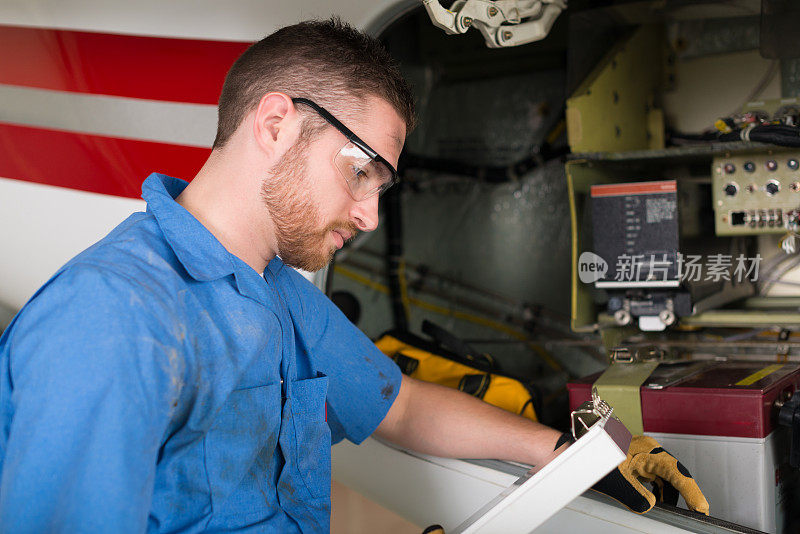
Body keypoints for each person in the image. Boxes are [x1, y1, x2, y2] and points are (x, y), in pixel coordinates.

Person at [0, 18, 706, 533]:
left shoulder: (272, 292)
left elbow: (399, 406)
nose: (370, 216)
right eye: (361, 171)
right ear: (275, 124)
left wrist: (573, 451)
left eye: (383, 187)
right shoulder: (116, 319)